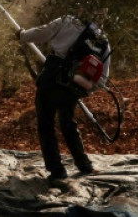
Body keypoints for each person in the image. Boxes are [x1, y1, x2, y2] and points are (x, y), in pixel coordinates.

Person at [17, 15, 110, 183]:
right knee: (68, 122)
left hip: (51, 78)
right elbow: (102, 78)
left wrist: (22, 35)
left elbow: (42, 32)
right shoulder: (103, 43)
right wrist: (82, 89)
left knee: (46, 125)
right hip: (72, 88)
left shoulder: (68, 21)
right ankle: (84, 165)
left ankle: (57, 170)